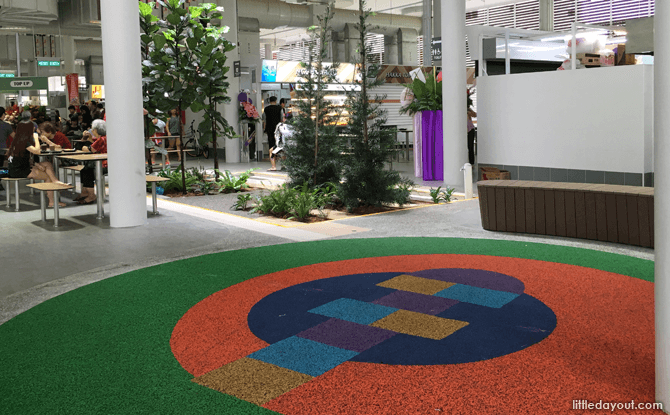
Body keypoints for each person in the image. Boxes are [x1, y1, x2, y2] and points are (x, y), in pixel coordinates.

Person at [6, 111, 65, 207]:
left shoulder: (19, 139)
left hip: (20, 167)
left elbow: (26, 157)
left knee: (47, 164)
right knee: (47, 176)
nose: (35, 131)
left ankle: (55, 181)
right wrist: (36, 139)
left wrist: (36, 165)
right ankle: (52, 201)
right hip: (18, 171)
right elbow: (37, 151)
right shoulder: (24, 140)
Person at [77, 119, 108, 205]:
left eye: (92, 129)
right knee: (85, 169)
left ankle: (91, 195)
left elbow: (91, 149)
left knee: (87, 170)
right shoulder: (105, 137)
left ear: (96, 130)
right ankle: (85, 192)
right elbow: (96, 144)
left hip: (103, 165)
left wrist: (84, 147)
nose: (91, 131)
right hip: (107, 163)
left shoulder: (101, 139)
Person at [262, 96, 282, 170]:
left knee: (271, 145)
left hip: (269, 129)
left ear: (270, 101)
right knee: (279, 144)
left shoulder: (266, 109)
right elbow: (282, 118)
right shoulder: (279, 108)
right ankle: (279, 159)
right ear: (276, 101)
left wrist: (264, 128)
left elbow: (264, 119)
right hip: (278, 129)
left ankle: (273, 165)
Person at [467, 91, 477, 166]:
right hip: (462, 131)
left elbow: (475, 115)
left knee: (470, 147)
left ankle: (472, 163)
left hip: (470, 130)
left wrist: (468, 111)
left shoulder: (468, 109)